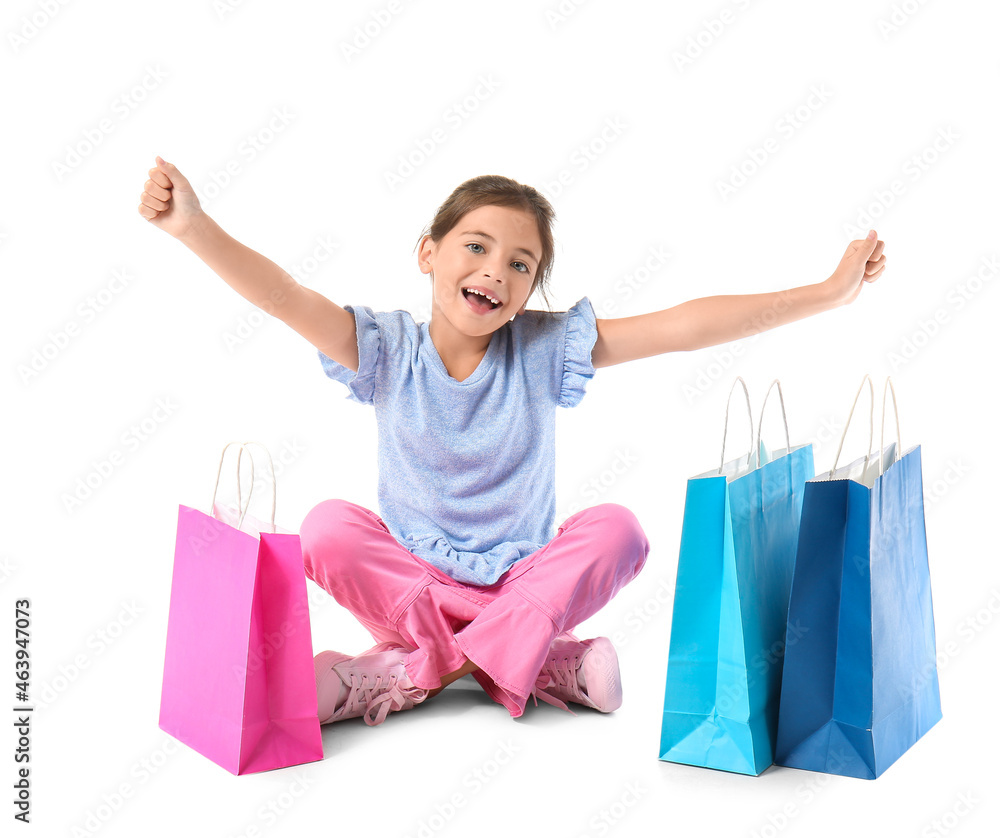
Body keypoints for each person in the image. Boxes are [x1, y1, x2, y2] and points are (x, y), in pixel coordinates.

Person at [138, 157, 886, 726]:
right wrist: (193, 227)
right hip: (414, 591)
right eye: (476, 247)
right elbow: (282, 296)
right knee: (326, 526)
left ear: (530, 291)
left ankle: (418, 672)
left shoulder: (542, 348)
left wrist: (827, 293)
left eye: (520, 265)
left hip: (521, 585)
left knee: (618, 531)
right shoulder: (384, 348)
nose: (495, 271)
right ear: (427, 252)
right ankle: (526, 664)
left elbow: (685, 326)